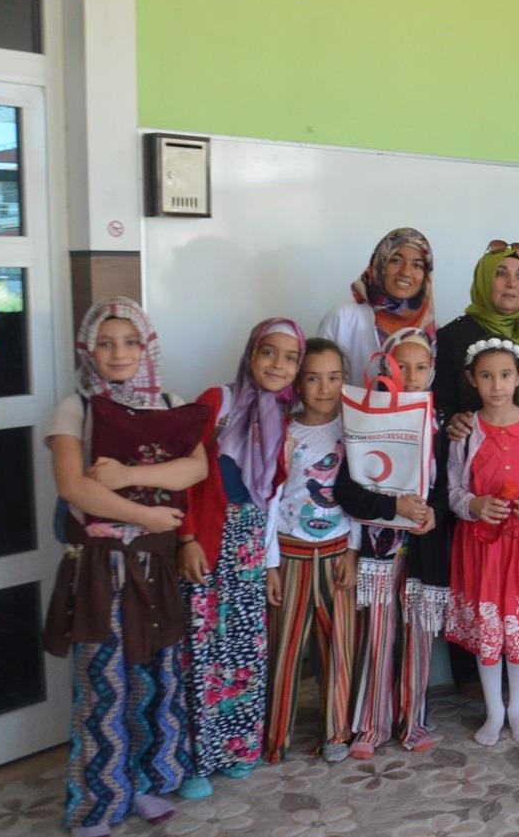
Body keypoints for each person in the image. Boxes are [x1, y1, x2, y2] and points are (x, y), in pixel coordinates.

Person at [44, 299, 206, 836]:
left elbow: (194, 468)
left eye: (130, 342)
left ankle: (139, 785)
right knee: (102, 681)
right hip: (101, 565)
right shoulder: (76, 408)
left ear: (146, 347)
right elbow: (73, 486)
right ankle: (95, 804)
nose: (119, 354)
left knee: (151, 678)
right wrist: (146, 516)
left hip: (155, 565)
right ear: (88, 349)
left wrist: (128, 476)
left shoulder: (169, 402)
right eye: (106, 343)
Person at [179, 318, 305, 798]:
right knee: (201, 653)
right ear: (251, 354)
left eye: (290, 358)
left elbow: (271, 502)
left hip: (250, 547)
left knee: (244, 652)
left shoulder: (283, 421)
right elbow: (183, 475)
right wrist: (186, 539)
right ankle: (194, 761)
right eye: (269, 352)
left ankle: (235, 749)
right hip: (208, 541)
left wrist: (270, 564)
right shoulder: (219, 401)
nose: (278, 365)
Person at [335, 328, 450, 757]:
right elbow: (347, 490)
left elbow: (449, 487)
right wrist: (393, 507)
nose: (412, 375)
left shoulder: (442, 423)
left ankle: (412, 722)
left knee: (418, 638)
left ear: (432, 370)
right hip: (379, 551)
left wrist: (433, 514)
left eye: (421, 367)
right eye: (403, 366)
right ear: (387, 367)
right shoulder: (365, 420)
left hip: (423, 551)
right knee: (378, 637)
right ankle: (370, 726)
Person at [447, 337, 519, 746]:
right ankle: (495, 710)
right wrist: (474, 504)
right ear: (472, 379)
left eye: (505, 375)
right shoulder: (466, 433)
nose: (496, 385)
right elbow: (453, 490)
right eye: (486, 376)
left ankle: (518, 710)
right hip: (483, 546)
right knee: (490, 629)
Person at [262, 338, 359, 764]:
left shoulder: (355, 428)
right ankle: (274, 737)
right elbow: (270, 500)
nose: (324, 388)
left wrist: (354, 551)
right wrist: (270, 564)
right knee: (284, 649)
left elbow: (363, 494)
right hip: (292, 555)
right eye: (314, 378)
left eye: (334, 378)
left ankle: (336, 732)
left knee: (339, 647)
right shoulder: (283, 431)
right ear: (298, 383)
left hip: (338, 554)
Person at [435, 241, 519, 419]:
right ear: (483, 280)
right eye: (500, 273)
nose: (512, 283)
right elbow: (439, 407)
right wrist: (452, 423)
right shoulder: (451, 338)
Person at [318, 227, 436, 381]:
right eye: (396, 260)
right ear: (380, 264)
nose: (406, 272)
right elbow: (318, 377)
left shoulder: (430, 327)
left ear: (426, 275)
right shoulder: (342, 319)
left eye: (417, 265)